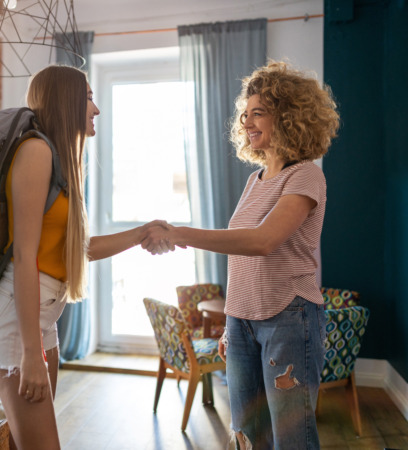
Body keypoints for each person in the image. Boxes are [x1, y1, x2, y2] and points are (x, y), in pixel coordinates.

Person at [0, 64, 173, 450]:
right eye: (90, 98)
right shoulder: (36, 152)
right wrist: (31, 354)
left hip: (39, 319)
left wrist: (139, 233)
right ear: (67, 101)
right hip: (16, 323)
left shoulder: (61, 160)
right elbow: (25, 256)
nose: (96, 109)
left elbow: (74, 251)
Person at [138, 61, 340, 450]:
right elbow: (242, 259)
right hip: (243, 322)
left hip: (288, 316)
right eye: (244, 115)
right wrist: (233, 323)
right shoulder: (255, 180)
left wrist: (178, 233)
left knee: (291, 439)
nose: (247, 122)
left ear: (289, 116)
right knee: (247, 437)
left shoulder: (306, 176)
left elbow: (262, 241)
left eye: (258, 113)